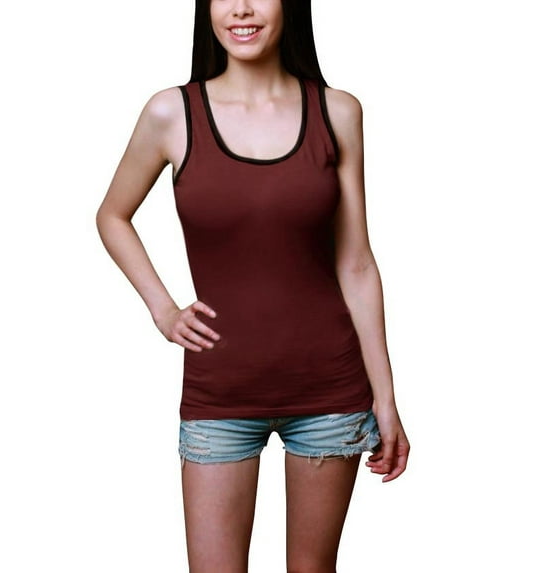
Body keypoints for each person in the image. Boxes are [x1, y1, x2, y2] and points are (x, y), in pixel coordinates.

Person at [96, 0, 410, 570]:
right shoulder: (171, 112)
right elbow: (112, 215)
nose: (241, 8)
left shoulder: (338, 111)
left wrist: (386, 402)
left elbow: (357, 264)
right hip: (219, 396)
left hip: (330, 395)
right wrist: (163, 310)